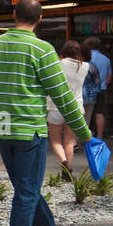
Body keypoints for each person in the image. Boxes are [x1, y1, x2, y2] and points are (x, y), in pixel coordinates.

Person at [0, 0, 92, 226]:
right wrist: (83, 132)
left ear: (14, 15)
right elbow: (63, 96)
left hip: (2, 128)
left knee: (24, 187)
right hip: (29, 130)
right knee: (26, 192)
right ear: (40, 19)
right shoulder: (42, 49)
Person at [45, 40, 89, 181]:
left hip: (55, 106)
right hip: (75, 107)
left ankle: (63, 161)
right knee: (70, 141)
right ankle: (67, 170)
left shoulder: (58, 64)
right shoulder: (85, 66)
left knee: (56, 140)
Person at [84, 37, 113, 139]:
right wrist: (103, 84)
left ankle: (84, 137)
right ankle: (100, 135)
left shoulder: (85, 58)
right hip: (101, 89)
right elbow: (109, 77)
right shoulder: (106, 59)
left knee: (85, 113)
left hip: (86, 90)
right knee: (100, 113)